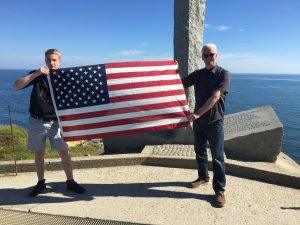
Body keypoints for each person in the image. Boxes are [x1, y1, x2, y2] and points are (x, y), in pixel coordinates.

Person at [13, 49, 86, 197]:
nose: (51, 63)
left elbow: (77, 95)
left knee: (64, 152)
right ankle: (41, 183)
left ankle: (70, 181)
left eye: (54, 60)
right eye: (48, 60)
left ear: (59, 61)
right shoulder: (37, 75)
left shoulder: (65, 76)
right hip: (36, 121)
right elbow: (17, 86)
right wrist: (36, 74)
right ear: (45, 60)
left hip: (57, 122)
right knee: (39, 153)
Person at [182, 43, 230, 207]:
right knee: (200, 151)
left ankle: (219, 190)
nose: (210, 58)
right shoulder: (198, 74)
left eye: (212, 54)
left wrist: (197, 114)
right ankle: (203, 177)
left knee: (217, 157)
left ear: (217, 55)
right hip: (199, 122)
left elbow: (215, 97)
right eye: (206, 55)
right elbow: (179, 84)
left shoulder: (223, 74)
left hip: (214, 122)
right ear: (202, 57)